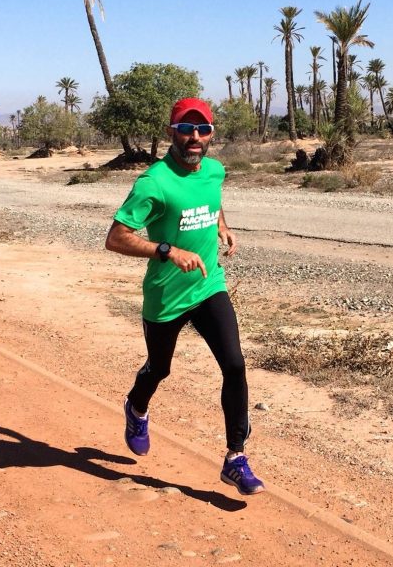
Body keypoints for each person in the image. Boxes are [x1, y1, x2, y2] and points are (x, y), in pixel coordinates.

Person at [105, 97, 264, 495]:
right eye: (186, 129)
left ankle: (235, 458)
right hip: (165, 295)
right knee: (159, 369)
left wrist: (222, 227)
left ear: (211, 134)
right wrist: (167, 251)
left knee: (235, 365)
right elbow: (116, 239)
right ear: (170, 133)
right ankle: (136, 408)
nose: (195, 137)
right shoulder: (153, 182)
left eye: (203, 129)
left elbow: (211, 202)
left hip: (209, 286)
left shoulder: (214, 170)